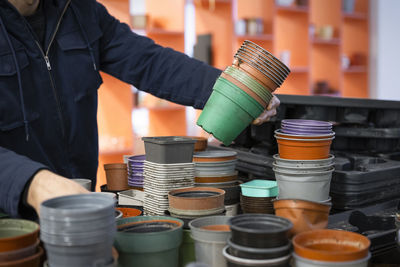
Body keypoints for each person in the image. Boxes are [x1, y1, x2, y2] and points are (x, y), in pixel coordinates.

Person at [0, 0, 280, 218]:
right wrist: (33, 183)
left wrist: (232, 92)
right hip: (11, 212)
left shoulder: (79, 11)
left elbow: (149, 62)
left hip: (81, 202)